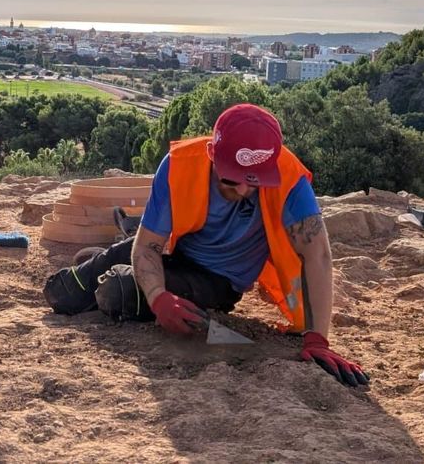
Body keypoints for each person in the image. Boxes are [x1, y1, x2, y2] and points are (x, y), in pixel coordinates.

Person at [44, 103, 368, 387]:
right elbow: (147, 246)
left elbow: (318, 255)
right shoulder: (179, 165)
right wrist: (158, 299)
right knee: (61, 293)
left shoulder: (288, 178)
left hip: (218, 282)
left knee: (116, 292)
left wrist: (317, 339)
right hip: (175, 255)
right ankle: (113, 258)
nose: (242, 190)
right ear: (212, 155)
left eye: (254, 181)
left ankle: (120, 269)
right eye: (231, 178)